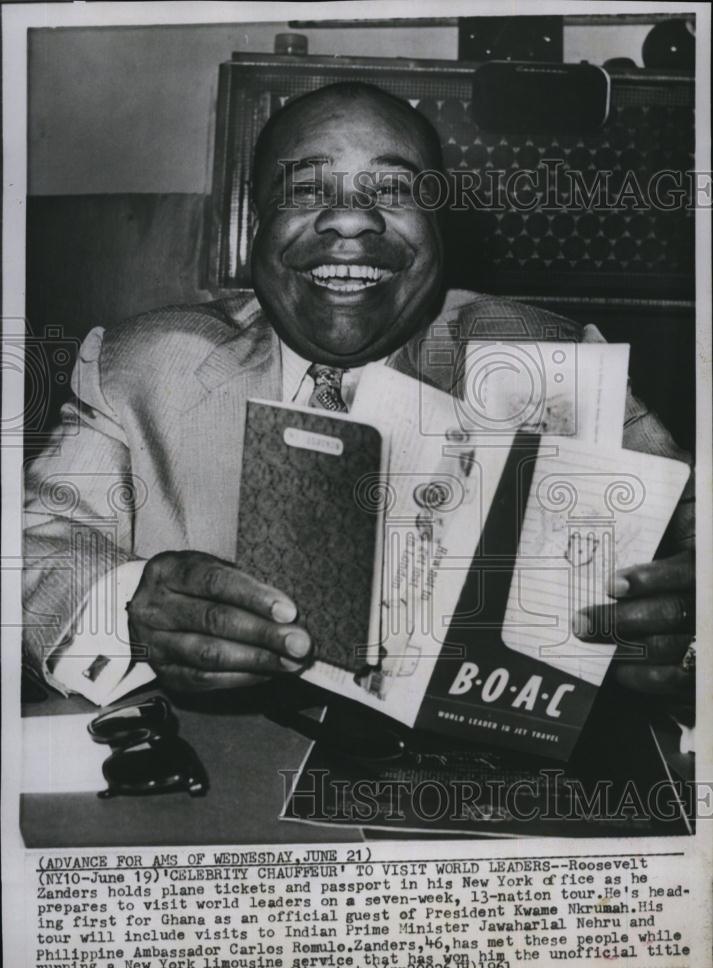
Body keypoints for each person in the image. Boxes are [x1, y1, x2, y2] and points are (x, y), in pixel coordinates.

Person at [23, 82, 694, 704]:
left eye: (394, 191)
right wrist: (130, 606)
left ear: (439, 230)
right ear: (254, 226)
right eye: (308, 190)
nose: (350, 222)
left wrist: (681, 627)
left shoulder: (547, 361)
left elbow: (688, 545)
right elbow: (30, 551)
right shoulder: (139, 368)